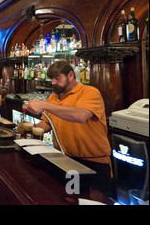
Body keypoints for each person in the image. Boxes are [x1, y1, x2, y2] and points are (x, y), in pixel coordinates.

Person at [27, 60, 112, 196]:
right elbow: (47, 124)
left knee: (93, 201)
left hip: (93, 162)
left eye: (57, 78)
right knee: (67, 198)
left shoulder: (89, 92)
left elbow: (81, 116)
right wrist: (28, 129)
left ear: (71, 75)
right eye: (51, 79)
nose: (53, 83)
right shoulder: (53, 98)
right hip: (64, 160)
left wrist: (44, 105)